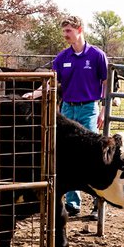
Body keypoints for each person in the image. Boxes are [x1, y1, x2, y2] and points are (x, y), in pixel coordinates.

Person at [23, 15, 108, 220]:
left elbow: (106, 82)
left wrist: (104, 110)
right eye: (64, 31)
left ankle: (99, 202)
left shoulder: (97, 55)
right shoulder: (62, 58)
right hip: (67, 108)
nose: (65, 35)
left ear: (79, 29)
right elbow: (51, 82)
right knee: (68, 154)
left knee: (92, 153)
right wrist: (35, 94)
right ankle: (72, 203)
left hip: (89, 108)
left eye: (68, 31)